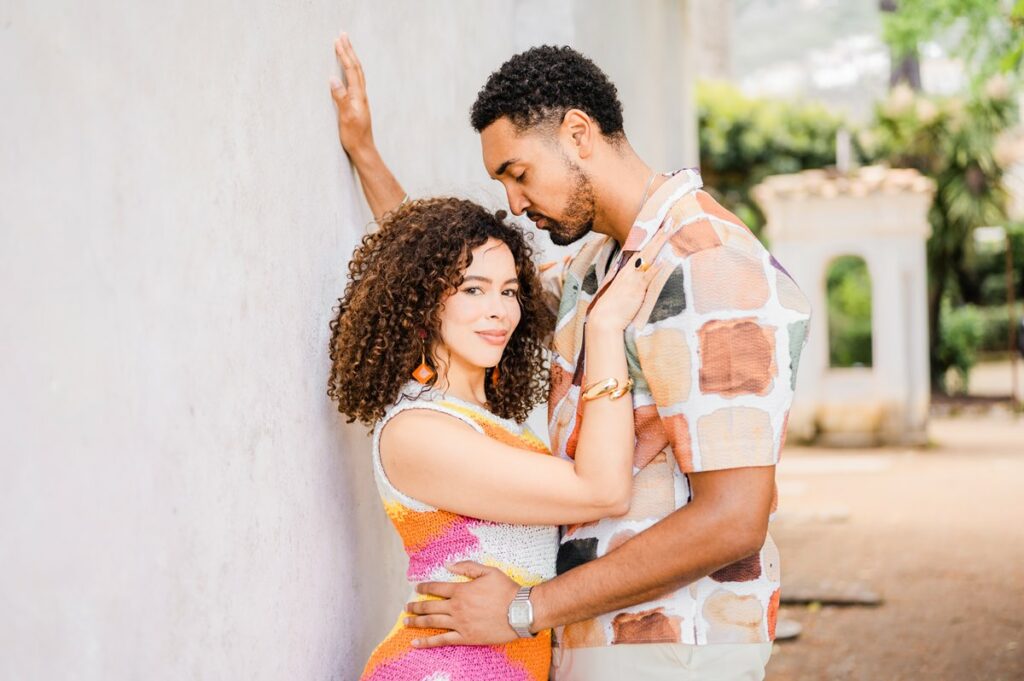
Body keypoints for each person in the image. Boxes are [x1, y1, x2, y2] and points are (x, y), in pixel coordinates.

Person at [331, 33, 812, 681]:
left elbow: (734, 519)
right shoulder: (596, 268)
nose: (514, 205)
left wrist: (528, 608)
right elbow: (448, 281)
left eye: (519, 174)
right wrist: (365, 154)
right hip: (596, 636)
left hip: (673, 640)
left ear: (579, 133)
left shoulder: (707, 265)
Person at [327, 51, 670, 679]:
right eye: (473, 290)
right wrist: (604, 329)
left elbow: (427, 250)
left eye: (510, 290)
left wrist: (368, 157)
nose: (500, 312)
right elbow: (602, 489)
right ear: (424, 297)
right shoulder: (418, 432)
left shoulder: (483, 419)